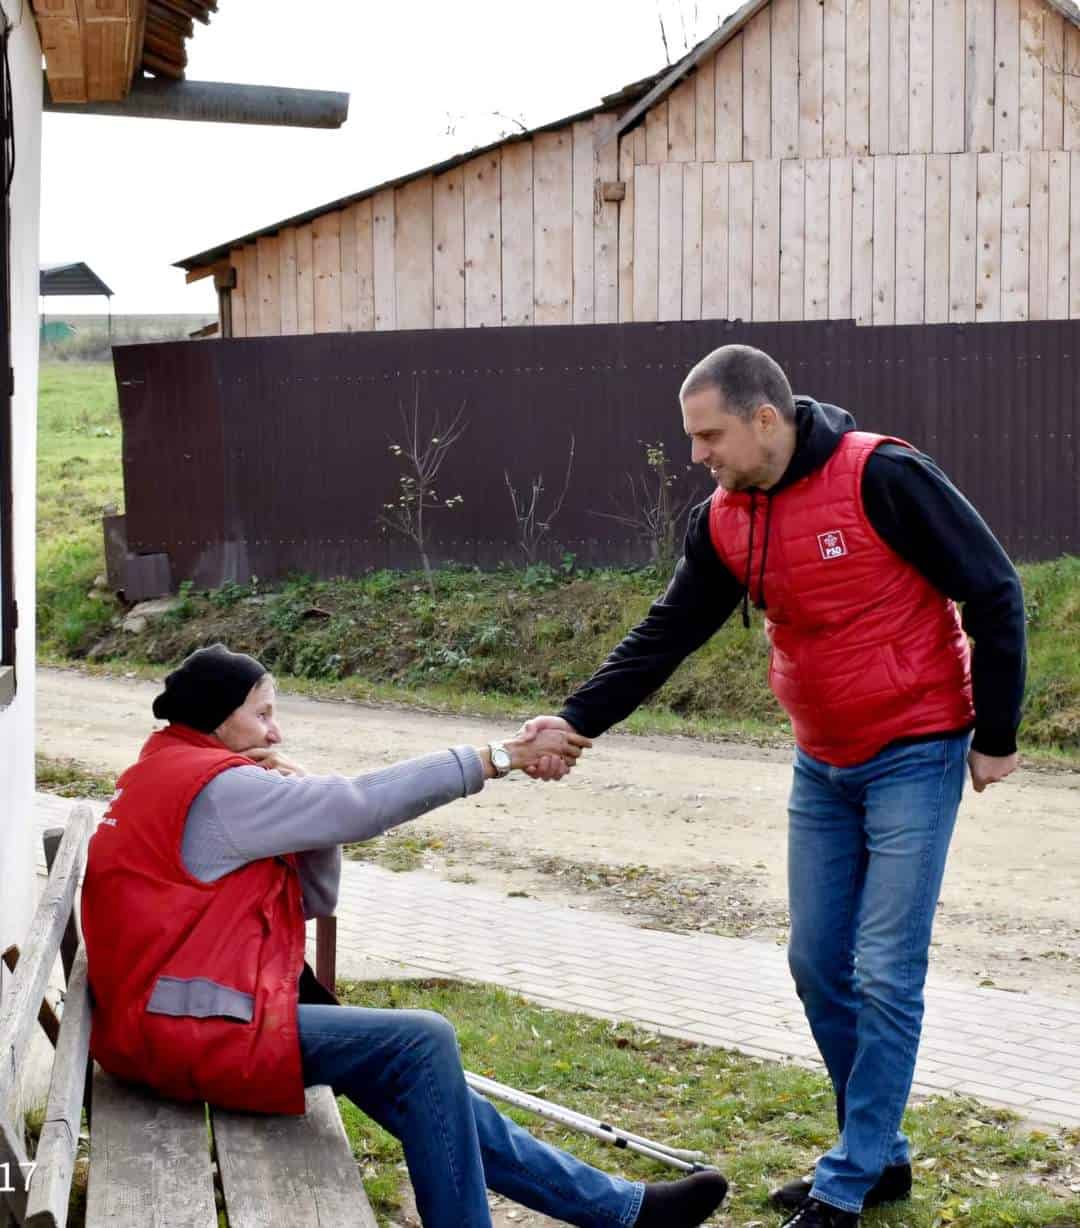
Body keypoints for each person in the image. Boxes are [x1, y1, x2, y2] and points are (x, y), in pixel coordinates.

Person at [520, 345, 1026, 1227]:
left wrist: (998, 733)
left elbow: (994, 591)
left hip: (917, 749)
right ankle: (883, 1155)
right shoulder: (723, 517)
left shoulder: (885, 477)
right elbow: (667, 631)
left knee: (883, 971)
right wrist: (576, 721)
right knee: (816, 964)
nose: (697, 455)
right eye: (690, 439)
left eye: (708, 434)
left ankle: (847, 1179)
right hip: (820, 760)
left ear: (766, 419)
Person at [81, 644, 728, 1228]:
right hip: (187, 1032)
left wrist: (303, 796)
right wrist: (498, 758)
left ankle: (622, 1211)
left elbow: (314, 897)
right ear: (219, 720)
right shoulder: (221, 788)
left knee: (417, 1072)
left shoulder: (177, 770)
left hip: (175, 1020)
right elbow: (363, 805)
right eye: (263, 714)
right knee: (420, 1046)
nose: (275, 731)